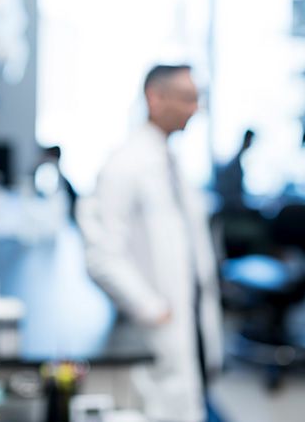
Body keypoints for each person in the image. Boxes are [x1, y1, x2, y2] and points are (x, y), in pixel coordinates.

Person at [79, 65, 223, 422]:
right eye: (187, 98)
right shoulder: (125, 163)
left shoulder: (169, 159)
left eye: (197, 99)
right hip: (160, 326)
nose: (195, 109)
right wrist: (151, 307)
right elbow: (101, 256)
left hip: (190, 316)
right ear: (154, 97)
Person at [214, 129, 255, 212]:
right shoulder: (235, 163)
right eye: (251, 140)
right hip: (231, 206)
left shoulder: (238, 160)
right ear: (247, 140)